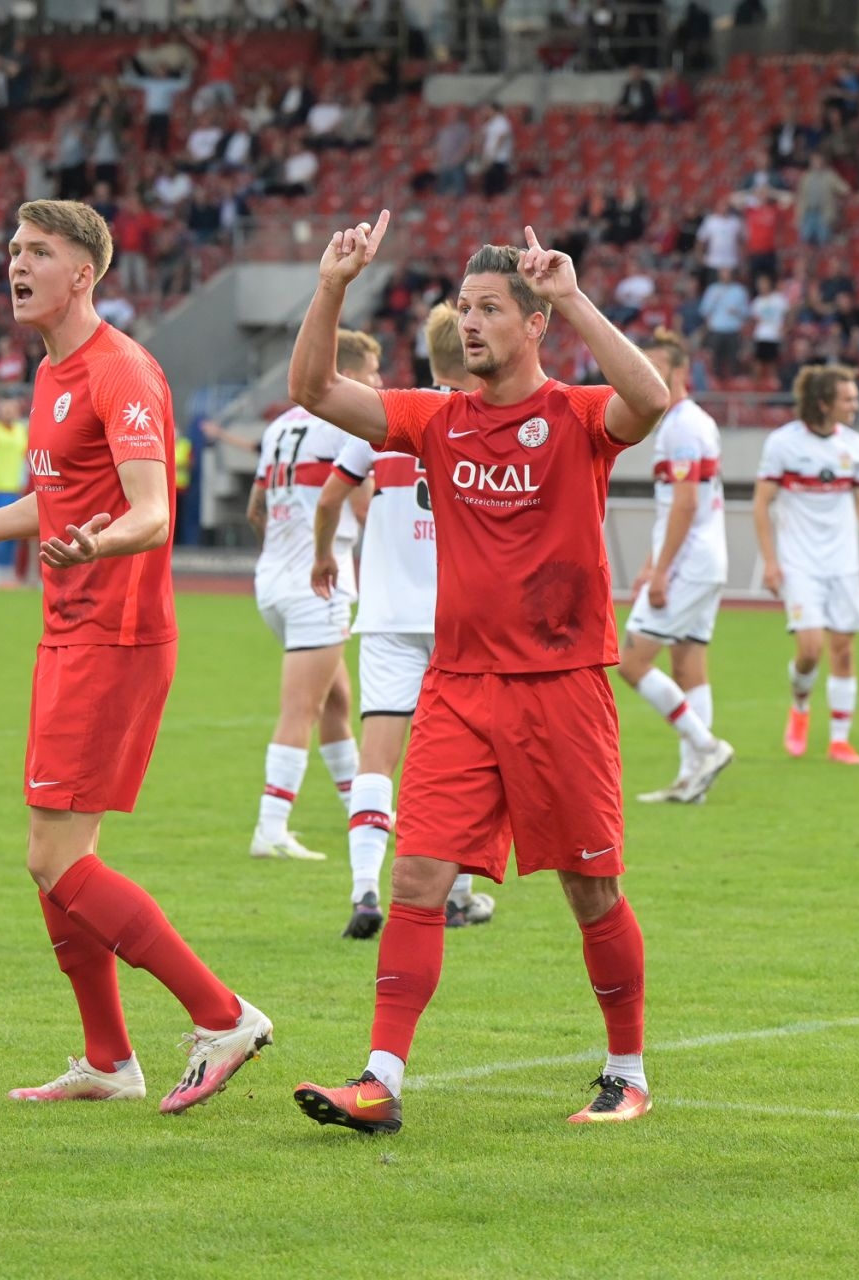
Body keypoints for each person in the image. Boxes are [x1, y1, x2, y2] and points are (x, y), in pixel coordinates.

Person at [285, 215, 670, 1131]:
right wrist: (333, 283)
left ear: (535, 324)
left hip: (563, 686)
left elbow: (649, 400)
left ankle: (627, 1073)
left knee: (592, 890)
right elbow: (313, 389)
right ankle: (380, 1081)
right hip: (459, 688)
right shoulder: (434, 418)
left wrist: (574, 294)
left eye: (491, 308)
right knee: (417, 879)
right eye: (464, 306)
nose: (469, 322)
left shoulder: (577, 415)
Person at [0, 198, 271, 1112]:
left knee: (58, 861)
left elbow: (153, 512)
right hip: (70, 630)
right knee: (54, 855)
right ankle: (108, 1061)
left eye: (38, 252)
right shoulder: (51, 370)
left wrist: (98, 543)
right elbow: (57, 496)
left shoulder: (121, 369)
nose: (16, 265)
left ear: (83, 273)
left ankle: (223, 1016)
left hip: (115, 636)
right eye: (13, 249)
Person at [311, 304, 496, 937]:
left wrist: (325, 557)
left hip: (388, 614)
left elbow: (331, 499)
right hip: (462, 618)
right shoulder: (487, 421)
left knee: (377, 758)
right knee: (465, 762)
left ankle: (365, 890)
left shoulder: (390, 414)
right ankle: (458, 895)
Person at [246, 332, 378, 861]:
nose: (377, 382)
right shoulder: (347, 424)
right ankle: (270, 827)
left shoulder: (280, 425)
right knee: (302, 708)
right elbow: (365, 507)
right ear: (349, 372)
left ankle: (359, 810)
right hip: (317, 583)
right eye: (372, 372)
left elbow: (256, 507)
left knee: (336, 701)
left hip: (272, 581)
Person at [752, 365, 859, 765]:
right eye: (848, 399)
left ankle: (839, 741)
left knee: (844, 651)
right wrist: (770, 561)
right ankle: (800, 705)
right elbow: (761, 504)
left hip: (843, 563)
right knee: (810, 649)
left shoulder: (854, 445)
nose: (855, 405)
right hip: (799, 563)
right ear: (823, 403)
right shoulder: (783, 443)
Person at [614, 330, 737, 804]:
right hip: (703, 559)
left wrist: (662, 571)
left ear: (680, 372)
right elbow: (678, 506)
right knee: (689, 666)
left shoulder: (682, 427)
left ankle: (707, 747)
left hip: (690, 562)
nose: (646, 373)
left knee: (631, 662)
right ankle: (692, 780)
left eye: (656, 366)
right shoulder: (685, 423)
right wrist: (652, 564)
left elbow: (685, 504)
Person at [0, 398, 32, 585]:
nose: (9, 413)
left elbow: (27, 457)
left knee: (14, 533)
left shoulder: (21, 431)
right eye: (5, 409)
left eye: (12, 409)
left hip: (16, 488)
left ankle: (9, 572)